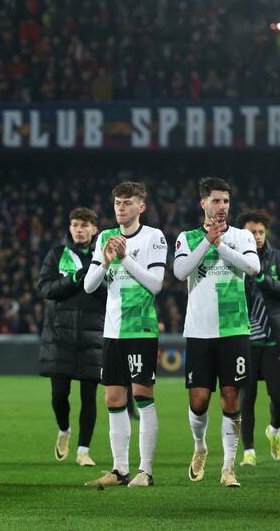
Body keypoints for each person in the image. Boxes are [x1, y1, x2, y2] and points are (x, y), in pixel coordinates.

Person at [173, 177, 260, 488]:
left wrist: (221, 244)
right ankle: (200, 446)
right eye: (216, 201)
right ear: (203, 203)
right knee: (199, 401)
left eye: (226, 201)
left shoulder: (242, 236)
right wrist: (208, 241)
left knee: (230, 397)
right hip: (199, 330)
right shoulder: (187, 237)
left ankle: (228, 468)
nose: (222, 207)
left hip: (235, 328)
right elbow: (181, 272)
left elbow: (253, 268)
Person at [83, 182, 167, 488]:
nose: (121, 207)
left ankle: (145, 470)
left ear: (141, 207)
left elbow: (156, 284)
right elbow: (89, 286)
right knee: (113, 398)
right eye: (118, 202)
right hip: (112, 330)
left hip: (141, 329)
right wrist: (106, 259)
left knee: (142, 395)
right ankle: (119, 470)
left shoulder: (153, 237)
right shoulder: (105, 237)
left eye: (128, 202)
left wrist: (124, 259)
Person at [37, 207, 105, 467]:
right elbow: (45, 288)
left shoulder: (103, 257)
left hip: (92, 336)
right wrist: (77, 278)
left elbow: (110, 293)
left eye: (84, 225)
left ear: (94, 230)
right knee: (59, 395)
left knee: (89, 396)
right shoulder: (57, 254)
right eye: (75, 224)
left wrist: (93, 277)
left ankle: (83, 451)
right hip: (59, 336)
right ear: (70, 227)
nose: (79, 229)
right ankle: (64, 429)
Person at [235, 210, 280, 466]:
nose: (258, 237)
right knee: (247, 398)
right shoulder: (233, 260)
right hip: (246, 339)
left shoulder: (278, 258)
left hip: (274, 341)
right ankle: (249, 452)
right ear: (243, 235)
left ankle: (274, 430)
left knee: (279, 396)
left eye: (261, 232)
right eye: (252, 232)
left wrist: (264, 279)